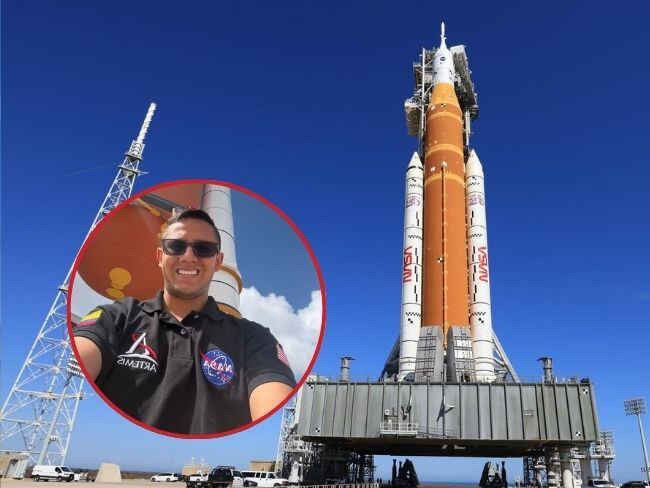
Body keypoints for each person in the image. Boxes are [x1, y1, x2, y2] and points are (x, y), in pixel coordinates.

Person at [72, 208, 296, 435]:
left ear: (218, 262)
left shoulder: (255, 339)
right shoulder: (117, 317)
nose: (188, 256)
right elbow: (79, 360)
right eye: (176, 246)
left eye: (203, 248)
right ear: (160, 257)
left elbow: (274, 416)